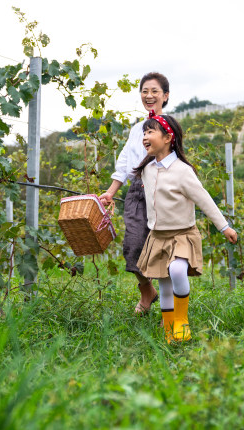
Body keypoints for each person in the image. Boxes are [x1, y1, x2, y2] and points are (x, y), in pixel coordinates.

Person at [134, 113, 237, 342]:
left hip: (181, 234)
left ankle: (181, 320)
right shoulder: (147, 170)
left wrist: (224, 227)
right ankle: (169, 328)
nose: (145, 137)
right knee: (164, 283)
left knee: (177, 270)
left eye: (150, 132)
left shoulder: (182, 171)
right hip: (158, 236)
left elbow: (204, 200)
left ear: (168, 137)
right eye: (144, 132)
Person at [98, 72, 170, 315]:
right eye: (144, 91)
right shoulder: (136, 129)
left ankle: (169, 311)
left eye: (154, 92)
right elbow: (125, 164)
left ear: (165, 96)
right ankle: (146, 289)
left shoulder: (170, 127)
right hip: (138, 193)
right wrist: (110, 192)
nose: (149, 96)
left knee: (162, 250)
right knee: (132, 246)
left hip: (163, 192)